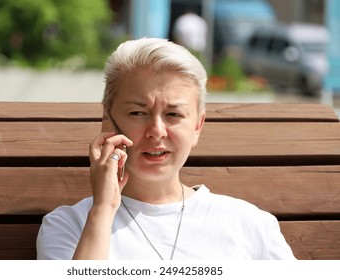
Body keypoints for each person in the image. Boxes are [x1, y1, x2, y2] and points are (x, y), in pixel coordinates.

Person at [36, 37, 296, 260]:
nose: (157, 131)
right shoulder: (69, 225)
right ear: (108, 121)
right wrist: (103, 210)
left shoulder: (251, 225)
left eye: (174, 114)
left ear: (197, 127)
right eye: (138, 112)